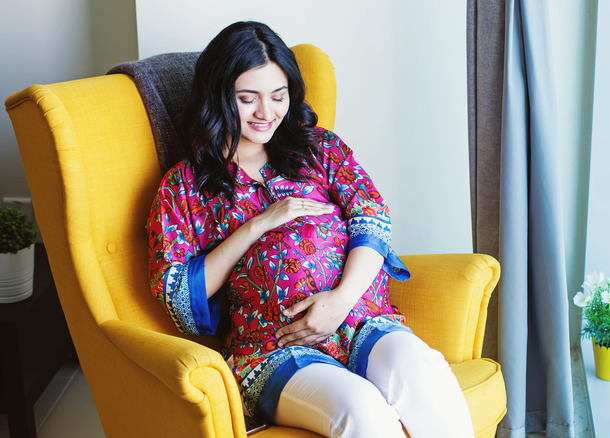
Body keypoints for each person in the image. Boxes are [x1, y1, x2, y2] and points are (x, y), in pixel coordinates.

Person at [146, 21, 474, 437]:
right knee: (363, 411)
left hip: (361, 319)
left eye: (278, 96)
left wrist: (339, 302)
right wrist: (257, 225)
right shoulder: (185, 186)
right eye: (248, 99)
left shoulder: (318, 148)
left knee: (421, 371)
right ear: (219, 96)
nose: (267, 112)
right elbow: (177, 292)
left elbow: (371, 218)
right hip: (273, 350)